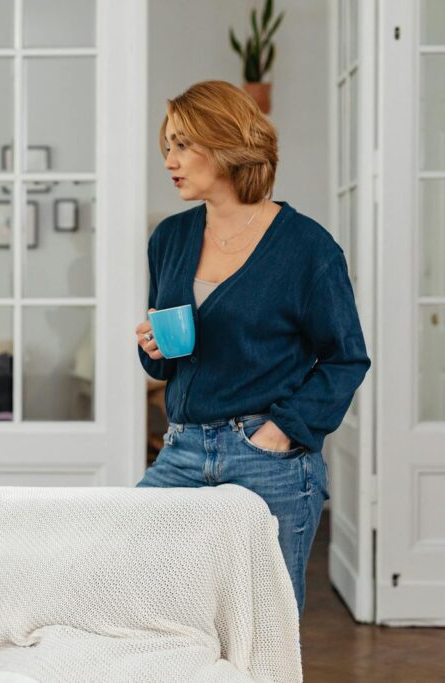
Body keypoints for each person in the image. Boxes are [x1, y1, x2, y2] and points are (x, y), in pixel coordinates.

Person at [135, 81, 370, 615]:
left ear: (224, 146)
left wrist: (280, 432)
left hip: (269, 458)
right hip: (182, 449)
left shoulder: (308, 248)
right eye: (166, 146)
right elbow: (169, 358)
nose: (169, 160)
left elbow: (346, 358)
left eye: (181, 145)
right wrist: (153, 348)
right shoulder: (168, 238)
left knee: (265, 626)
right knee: (150, 600)